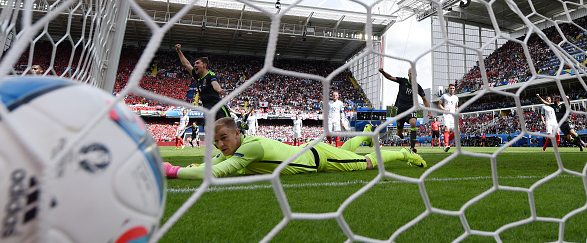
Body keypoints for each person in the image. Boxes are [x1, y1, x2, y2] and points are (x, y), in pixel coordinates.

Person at [163, 118, 427, 180]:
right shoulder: (237, 147)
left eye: (223, 138)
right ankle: (366, 133)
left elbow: (213, 172)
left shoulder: (250, 149)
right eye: (216, 141)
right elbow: (215, 161)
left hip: (317, 160)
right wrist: (197, 165)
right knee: (346, 150)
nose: (220, 145)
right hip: (312, 151)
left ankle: (403, 153)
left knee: (365, 163)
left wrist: (171, 170)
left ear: (236, 133)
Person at [379, 68, 431, 153]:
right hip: (400, 110)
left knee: (413, 123)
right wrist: (383, 72)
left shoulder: (417, 87)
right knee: (399, 132)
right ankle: (401, 135)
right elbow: (390, 77)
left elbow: (425, 99)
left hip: (411, 109)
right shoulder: (403, 81)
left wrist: (429, 111)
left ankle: (412, 148)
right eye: (411, 74)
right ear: (408, 75)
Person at [175, 44, 229, 119]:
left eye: (197, 63)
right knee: (207, 128)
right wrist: (179, 51)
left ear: (204, 65)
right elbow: (186, 64)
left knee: (224, 129)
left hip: (218, 108)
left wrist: (219, 89)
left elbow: (215, 83)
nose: (194, 65)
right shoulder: (197, 76)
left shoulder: (210, 75)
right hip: (207, 110)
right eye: (194, 63)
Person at [438, 83, 458, 152]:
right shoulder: (444, 96)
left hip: (453, 115)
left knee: (457, 132)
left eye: (453, 88)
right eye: (451, 88)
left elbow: (456, 107)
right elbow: (439, 105)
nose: (452, 89)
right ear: (448, 89)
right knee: (447, 129)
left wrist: (457, 110)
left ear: (454, 89)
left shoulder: (456, 98)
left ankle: (445, 141)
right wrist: (444, 109)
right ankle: (446, 145)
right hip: (446, 115)